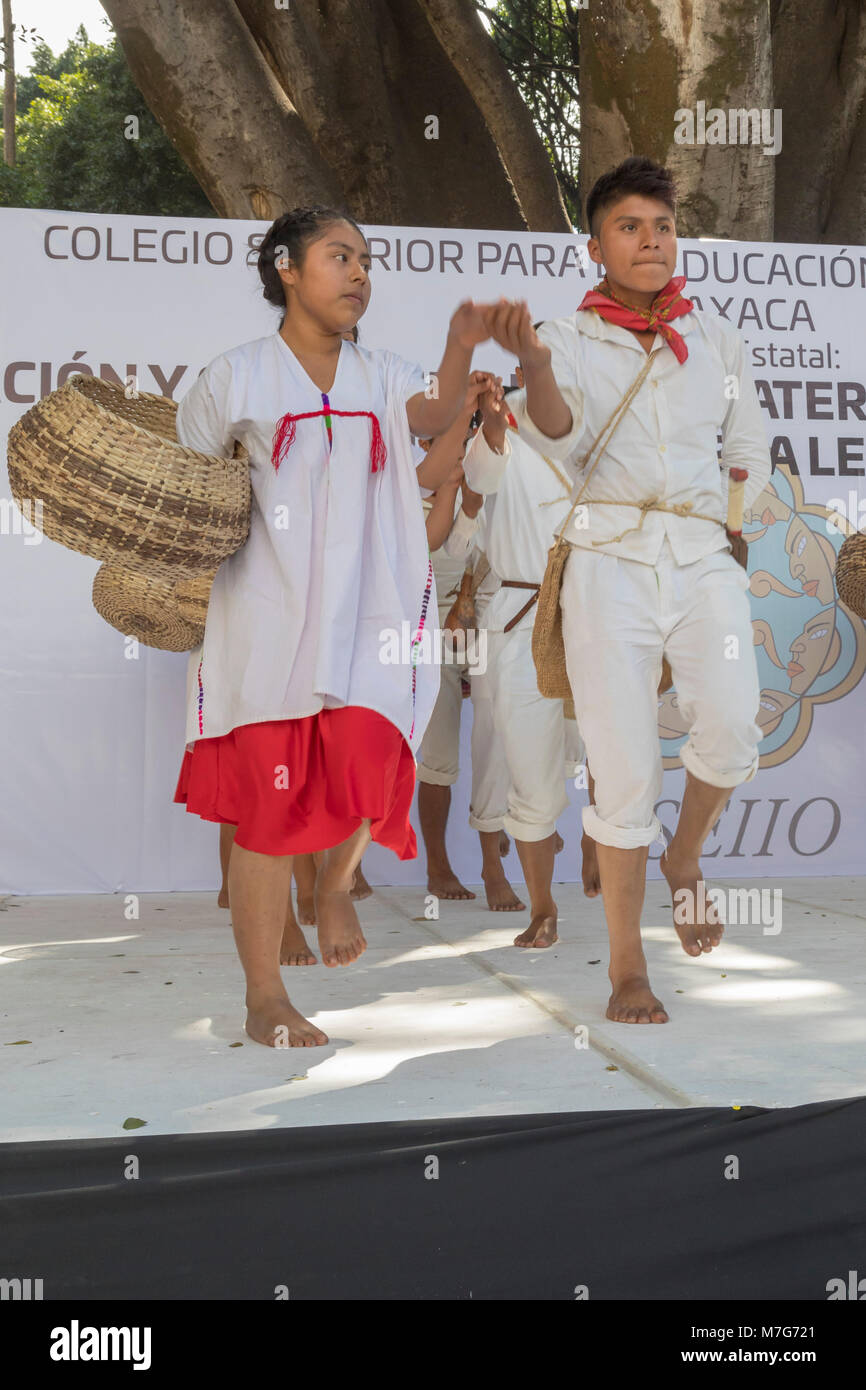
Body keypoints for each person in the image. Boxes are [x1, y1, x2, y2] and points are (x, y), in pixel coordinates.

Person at [173, 204, 500, 1047]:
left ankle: (334, 886)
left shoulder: (381, 375)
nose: (359, 272)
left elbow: (428, 416)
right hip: (268, 622)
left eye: (366, 259)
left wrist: (461, 346)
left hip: (365, 619)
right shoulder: (234, 377)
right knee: (269, 818)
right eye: (339, 255)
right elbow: (191, 484)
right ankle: (264, 995)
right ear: (287, 267)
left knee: (377, 756)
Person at [484, 157, 771, 1024]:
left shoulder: (716, 339)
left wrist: (729, 514)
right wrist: (531, 361)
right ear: (596, 244)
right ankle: (625, 969)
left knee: (729, 722)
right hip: (607, 556)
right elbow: (557, 430)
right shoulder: (563, 338)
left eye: (662, 227)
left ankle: (686, 858)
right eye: (629, 228)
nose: (650, 242)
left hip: (698, 552)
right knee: (621, 767)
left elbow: (747, 442)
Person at [464, 364, 600, 949]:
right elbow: (478, 476)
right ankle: (543, 907)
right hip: (520, 620)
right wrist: (491, 430)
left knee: (609, 751)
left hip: (596, 615)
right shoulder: (501, 435)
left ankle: (598, 839)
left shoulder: (600, 437)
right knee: (529, 769)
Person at [416, 416, 522, 911]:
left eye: (468, 441)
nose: (462, 451)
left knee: (499, 736)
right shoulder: (402, 488)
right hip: (418, 630)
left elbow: (494, 563)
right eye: (452, 440)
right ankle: (438, 865)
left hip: (485, 619)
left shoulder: (489, 488)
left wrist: (470, 613)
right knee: (437, 753)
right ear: (424, 442)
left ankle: (494, 851)